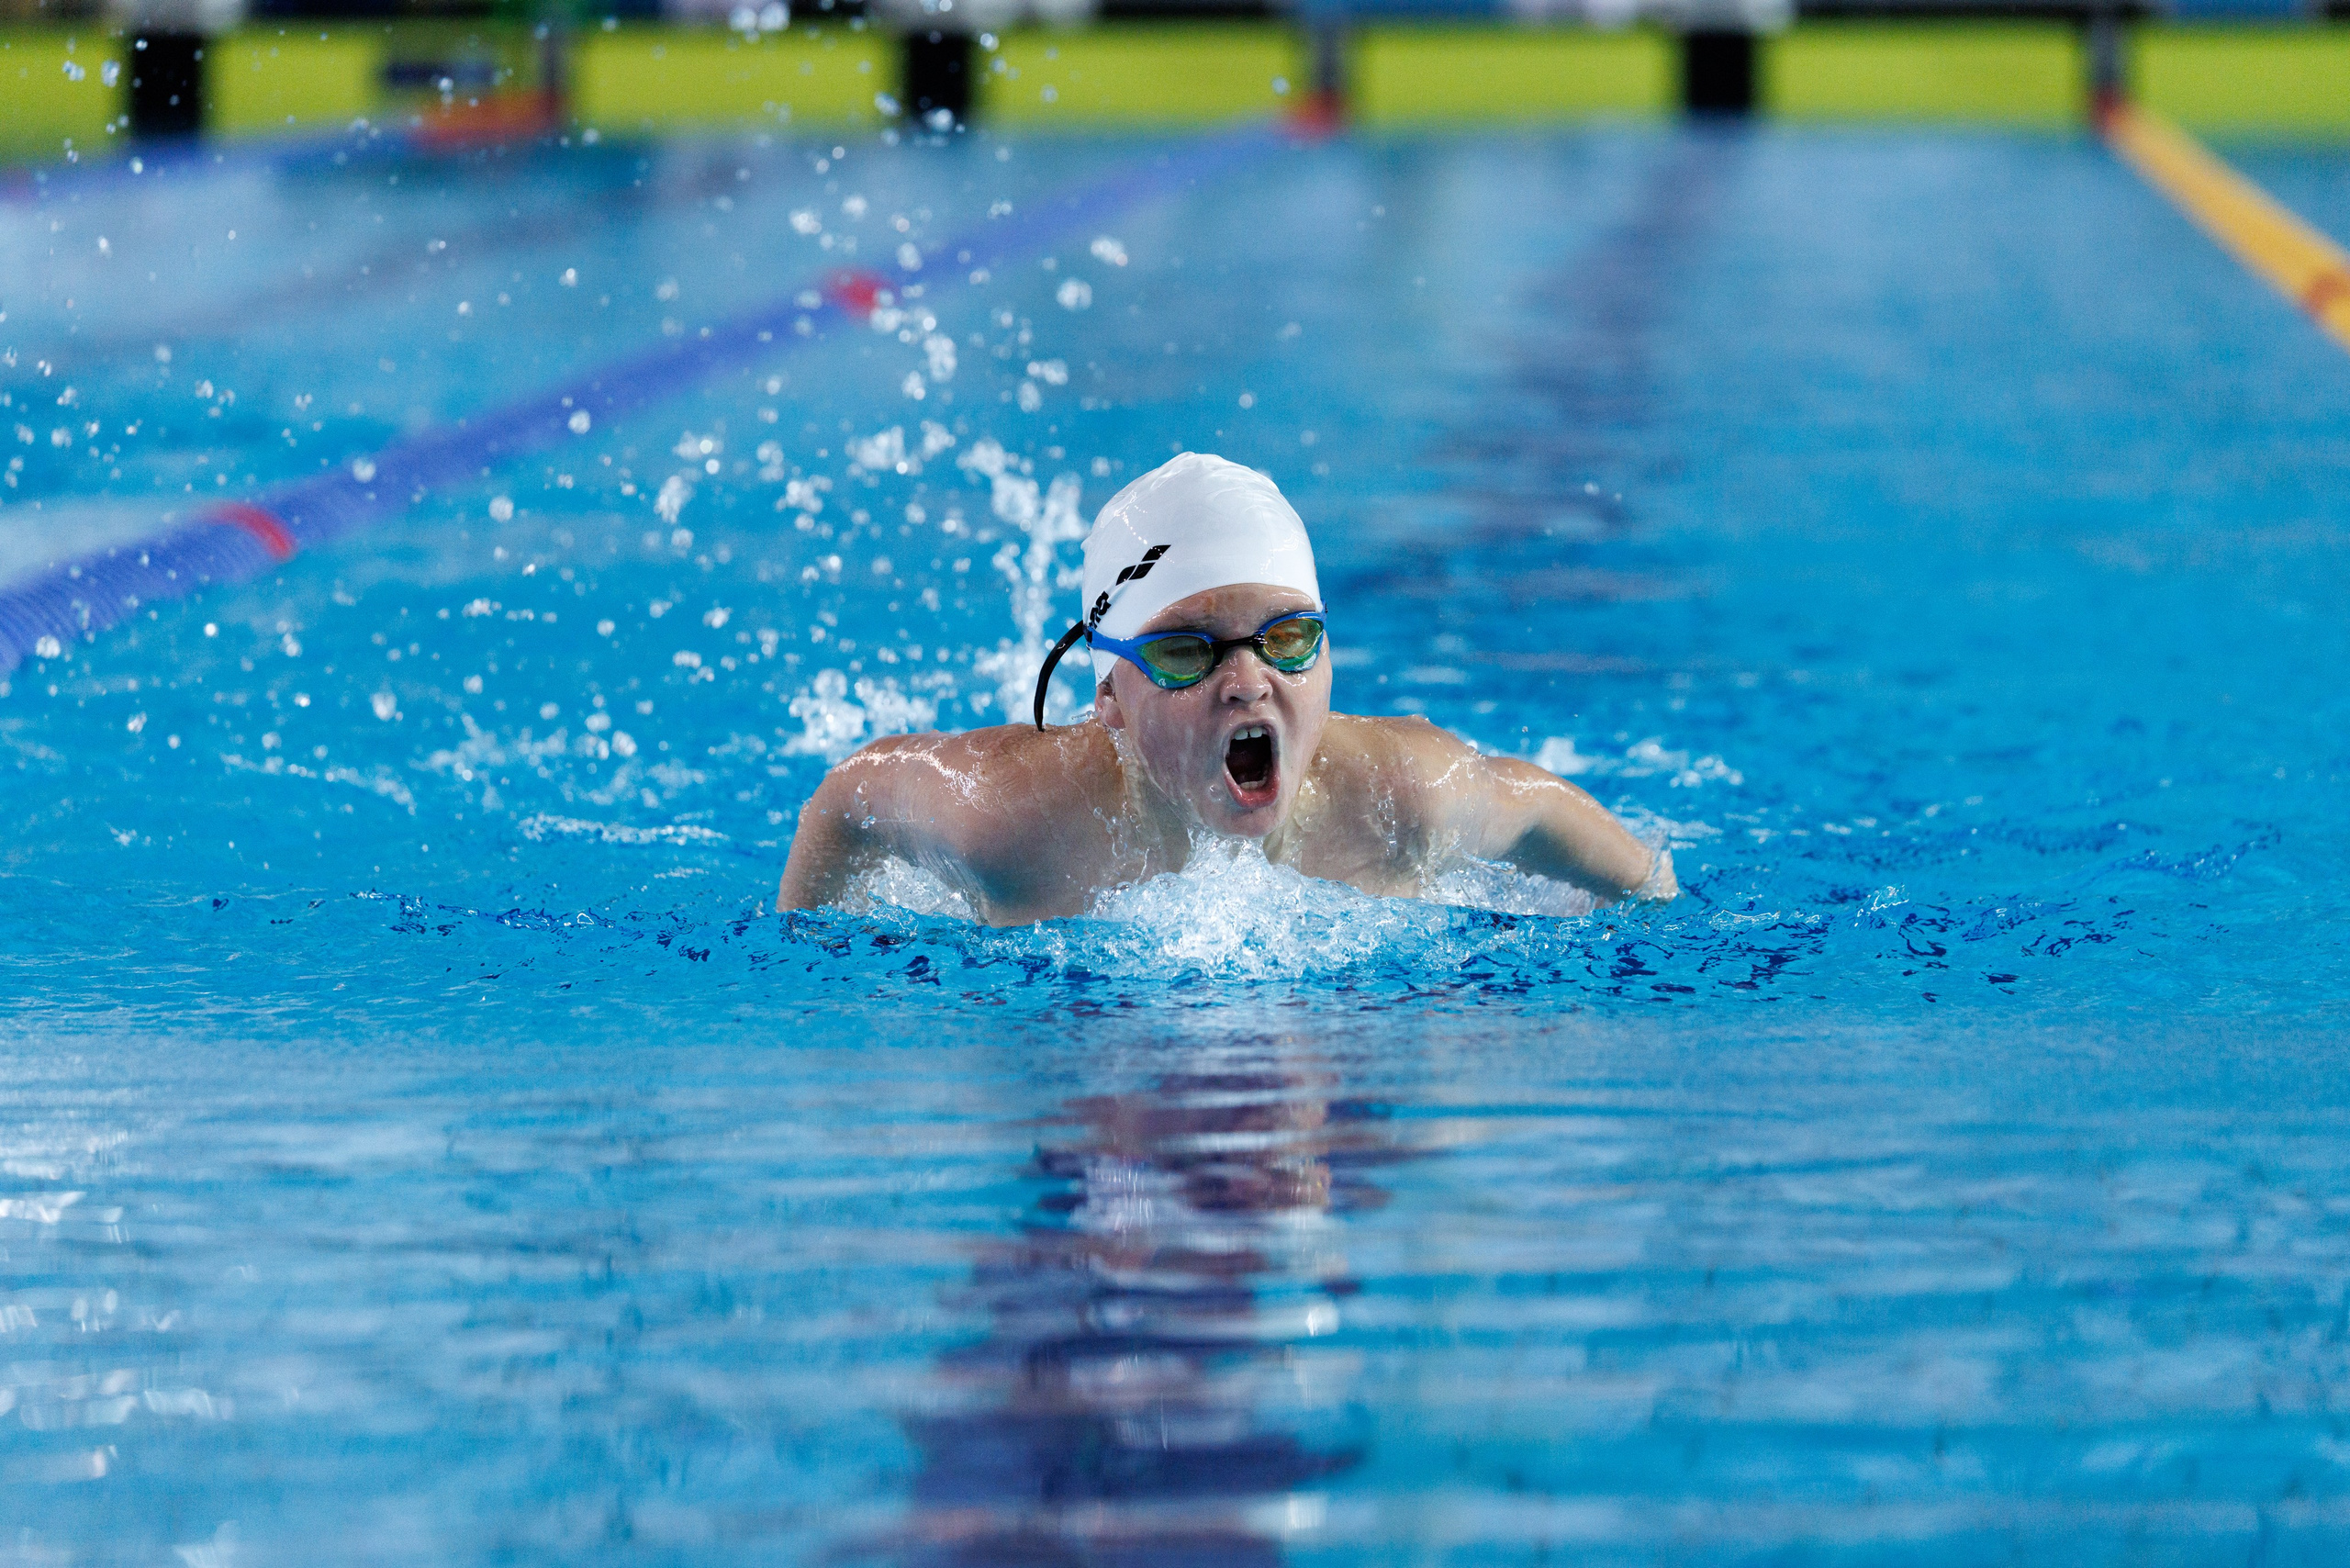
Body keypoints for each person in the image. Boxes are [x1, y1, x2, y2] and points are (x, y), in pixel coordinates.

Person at [778, 453, 1676, 925]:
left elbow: (1633, 876)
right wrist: (811, 955)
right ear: (1110, 698)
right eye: (1184, 652)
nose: (1247, 681)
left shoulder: (1407, 797)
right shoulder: (1010, 819)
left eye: (1287, 638)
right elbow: (849, 793)